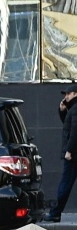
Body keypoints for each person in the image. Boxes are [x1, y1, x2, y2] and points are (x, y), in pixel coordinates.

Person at [45, 89, 77, 222]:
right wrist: (62, 111)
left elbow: (75, 131)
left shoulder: (76, 109)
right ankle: (55, 213)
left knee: (65, 184)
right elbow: (68, 126)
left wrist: (69, 150)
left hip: (74, 155)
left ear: (75, 94)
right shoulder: (73, 109)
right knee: (65, 183)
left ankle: (55, 213)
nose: (66, 96)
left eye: (68, 93)